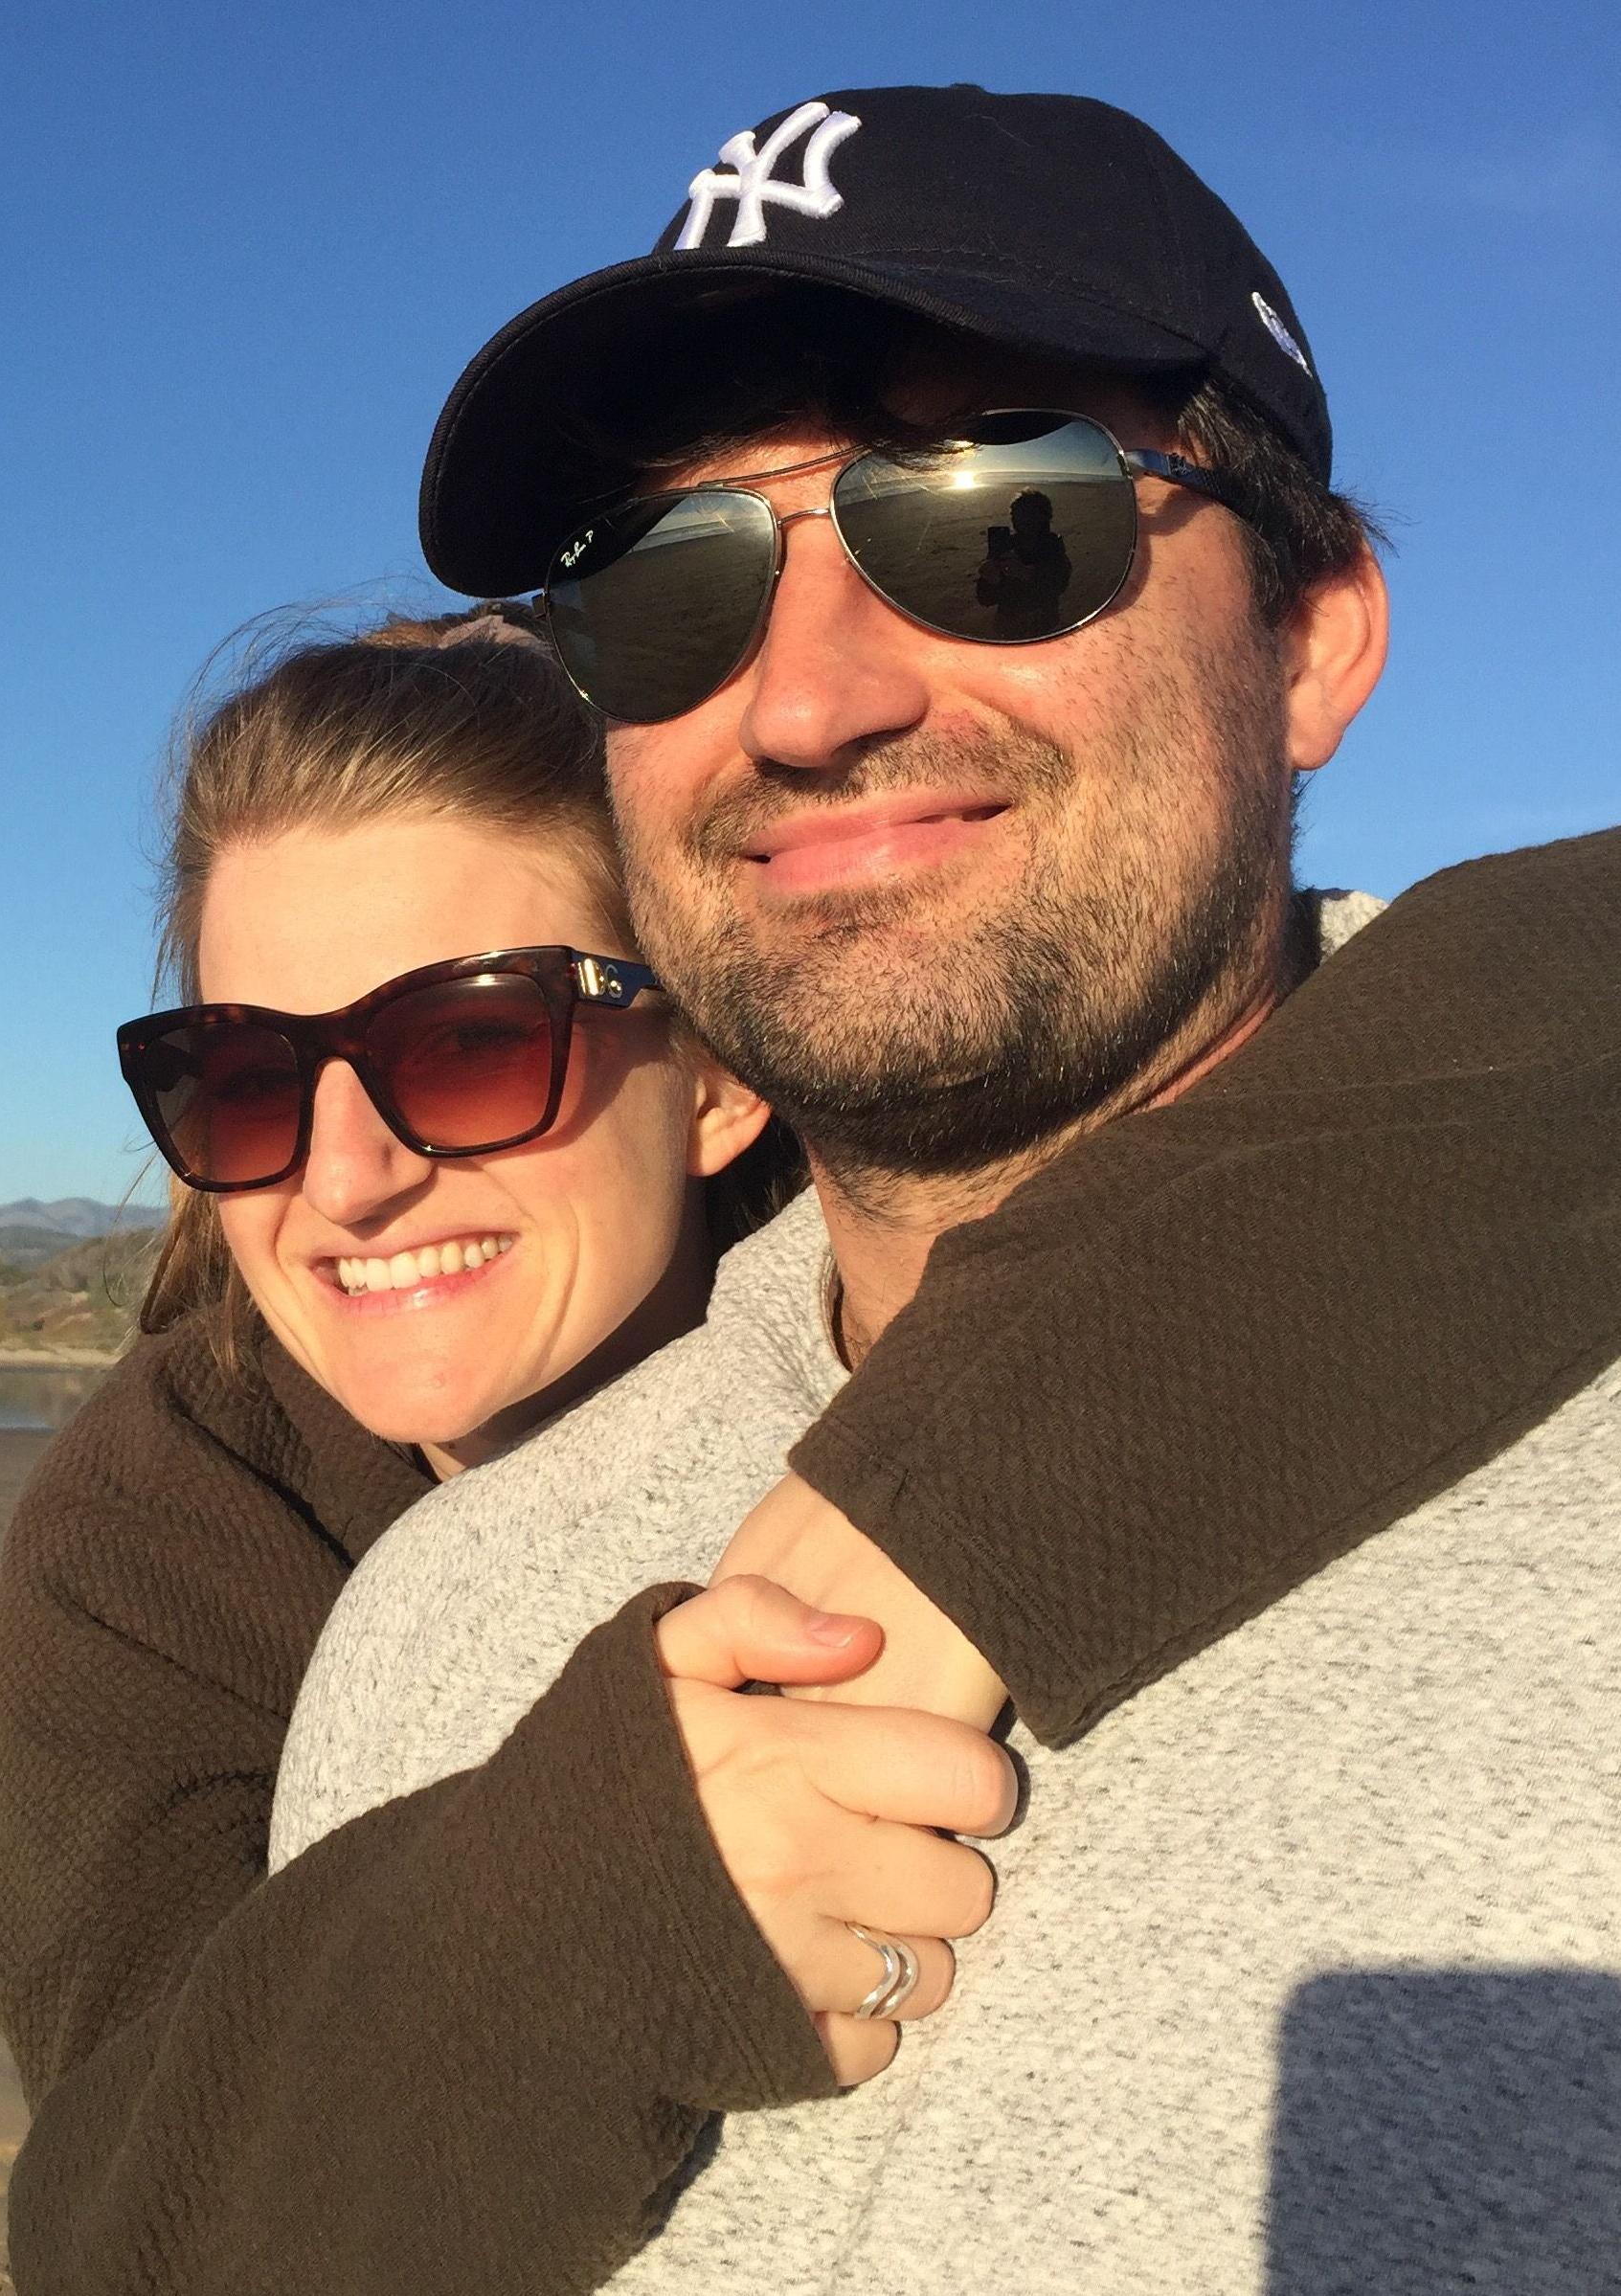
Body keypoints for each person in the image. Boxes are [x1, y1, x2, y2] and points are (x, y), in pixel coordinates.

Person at [261, 80, 1621, 2295]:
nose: (800, 702)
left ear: (1309, 637)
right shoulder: (433, 1626)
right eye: (664, 582)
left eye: (1001, 515)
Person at [0, 609, 1018, 2293]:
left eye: (467, 1042)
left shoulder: (923, 1314)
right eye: (246, 1077)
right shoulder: (158, 1526)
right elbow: (128, 2216)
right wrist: (591, 1909)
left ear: (713, 1075)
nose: (343, 1180)